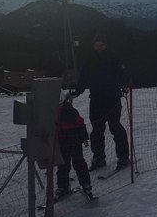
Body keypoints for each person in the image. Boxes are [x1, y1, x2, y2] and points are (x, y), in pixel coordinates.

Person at [72, 33, 130, 172]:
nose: (98, 48)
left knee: (115, 127)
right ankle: (99, 157)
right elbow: (83, 77)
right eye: (96, 45)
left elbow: (122, 74)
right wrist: (77, 91)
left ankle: (123, 157)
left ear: (105, 45)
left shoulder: (113, 58)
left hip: (112, 98)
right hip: (96, 99)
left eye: (101, 45)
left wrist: (126, 84)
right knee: (96, 130)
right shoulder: (90, 60)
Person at [54, 99, 94, 199]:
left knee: (79, 163)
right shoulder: (52, 113)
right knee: (62, 165)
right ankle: (63, 186)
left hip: (74, 142)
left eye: (59, 103)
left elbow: (81, 125)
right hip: (62, 144)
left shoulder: (72, 111)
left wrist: (84, 138)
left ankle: (86, 184)